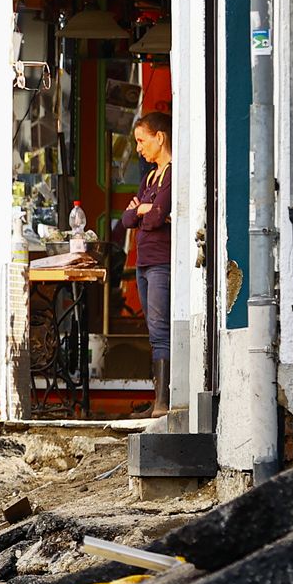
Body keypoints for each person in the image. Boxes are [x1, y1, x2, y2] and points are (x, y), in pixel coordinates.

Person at [115, 111, 174, 412]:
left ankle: (163, 402)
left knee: (160, 327)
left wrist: (145, 212)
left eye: (142, 141)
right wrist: (144, 211)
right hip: (144, 263)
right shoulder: (150, 178)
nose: (138, 148)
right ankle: (158, 400)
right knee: (153, 330)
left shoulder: (171, 174)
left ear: (159, 138)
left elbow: (154, 218)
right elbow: (128, 219)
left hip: (162, 261)